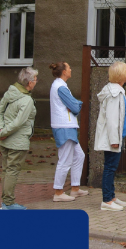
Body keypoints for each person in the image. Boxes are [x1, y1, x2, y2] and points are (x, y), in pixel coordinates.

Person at [0, 67, 38, 210]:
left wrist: (0, 130)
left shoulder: (10, 92)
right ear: (29, 83)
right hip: (17, 142)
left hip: (5, 140)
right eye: (35, 79)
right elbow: (19, 122)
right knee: (12, 171)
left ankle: (6, 202)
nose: (36, 82)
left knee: (6, 170)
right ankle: (8, 204)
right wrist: (2, 132)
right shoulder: (27, 100)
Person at [49, 61, 88, 203]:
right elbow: (76, 107)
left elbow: (73, 105)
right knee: (65, 159)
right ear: (64, 72)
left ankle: (75, 189)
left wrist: (75, 104)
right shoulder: (61, 87)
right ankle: (58, 192)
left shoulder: (60, 85)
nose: (71, 69)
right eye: (69, 68)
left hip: (67, 126)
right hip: (64, 126)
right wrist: (77, 104)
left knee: (79, 155)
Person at [94, 61, 126, 211]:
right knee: (110, 167)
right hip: (113, 138)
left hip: (116, 136)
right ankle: (107, 200)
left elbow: (118, 111)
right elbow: (112, 118)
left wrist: (125, 103)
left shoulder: (117, 91)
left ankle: (111, 196)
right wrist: (115, 140)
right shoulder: (115, 93)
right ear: (121, 74)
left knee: (112, 167)